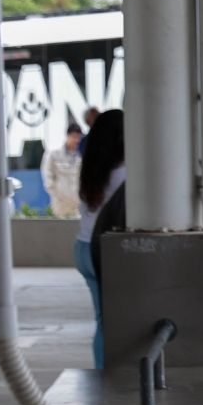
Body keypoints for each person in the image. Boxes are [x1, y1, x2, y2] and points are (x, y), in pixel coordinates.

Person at [75, 109, 125, 369]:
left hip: (83, 247)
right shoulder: (127, 173)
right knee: (113, 322)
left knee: (102, 320)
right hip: (105, 250)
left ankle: (102, 372)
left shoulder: (91, 167)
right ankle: (108, 377)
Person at [43, 125, 83, 218]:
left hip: (78, 203)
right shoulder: (54, 153)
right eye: (74, 137)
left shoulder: (81, 154)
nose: (76, 140)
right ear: (68, 136)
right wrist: (56, 195)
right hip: (60, 204)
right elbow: (47, 176)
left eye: (78, 137)